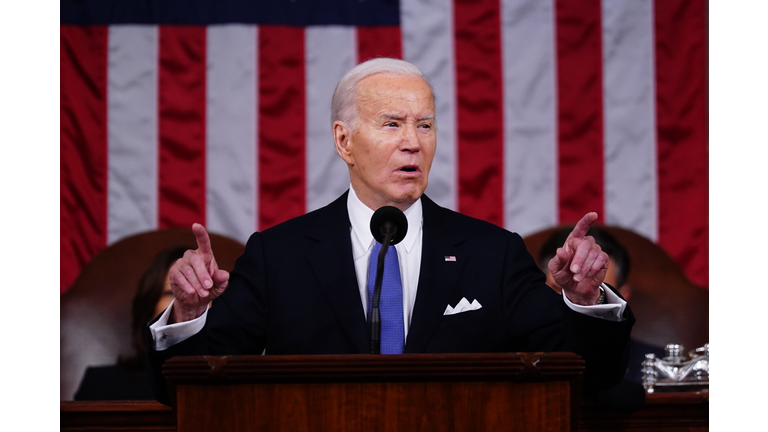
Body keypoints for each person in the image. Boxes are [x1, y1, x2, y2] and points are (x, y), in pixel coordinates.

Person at [147, 58, 635, 405]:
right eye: (391, 124)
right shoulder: (279, 256)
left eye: (425, 126)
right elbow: (186, 392)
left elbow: (592, 378)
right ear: (344, 141)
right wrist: (189, 314)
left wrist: (584, 302)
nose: (412, 143)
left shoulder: (492, 253)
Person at [538, 226, 664, 410]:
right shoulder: (514, 360)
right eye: (560, 289)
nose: (573, 300)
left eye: (592, 291)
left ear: (622, 297)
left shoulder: (661, 370)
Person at [74, 246, 187, 400]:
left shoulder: (230, 386)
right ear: (149, 311)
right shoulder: (101, 386)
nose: (189, 300)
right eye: (171, 292)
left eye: (200, 290)